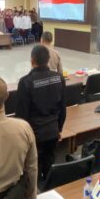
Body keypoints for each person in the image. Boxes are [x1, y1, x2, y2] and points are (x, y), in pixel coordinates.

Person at [15, 45, 66, 190]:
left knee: (33, 168)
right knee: (50, 164)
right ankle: (49, 191)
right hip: (53, 131)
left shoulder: (25, 82)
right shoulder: (59, 78)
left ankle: (35, 195)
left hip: (34, 135)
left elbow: (21, 115)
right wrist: (59, 129)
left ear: (32, 61)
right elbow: (63, 108)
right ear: (48, 60)